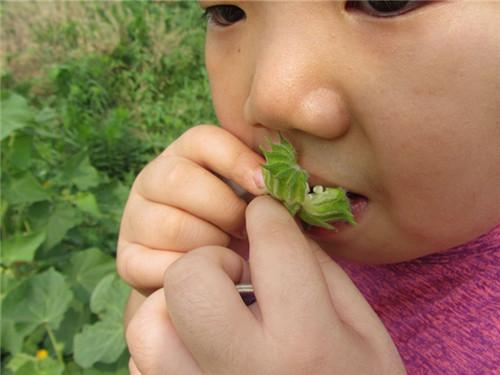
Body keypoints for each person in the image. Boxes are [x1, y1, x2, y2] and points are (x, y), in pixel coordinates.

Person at [116, 1, 500, 373]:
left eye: (385, 3)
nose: (272, 98)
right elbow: (157, 351)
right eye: (227, 12)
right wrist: (171, 282)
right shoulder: (239, 218)